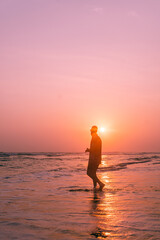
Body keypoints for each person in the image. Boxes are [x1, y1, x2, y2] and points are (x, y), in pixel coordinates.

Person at [85, 125, 105, 191]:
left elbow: (94, 149)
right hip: (96, 159)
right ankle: (95, 187)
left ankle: (101, 184)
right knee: (93, 174)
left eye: (91, 130)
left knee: (89, 173)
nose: (90, 131)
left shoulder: (95, 138)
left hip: (94, 159)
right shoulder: (96, 138)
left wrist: (89, 150)